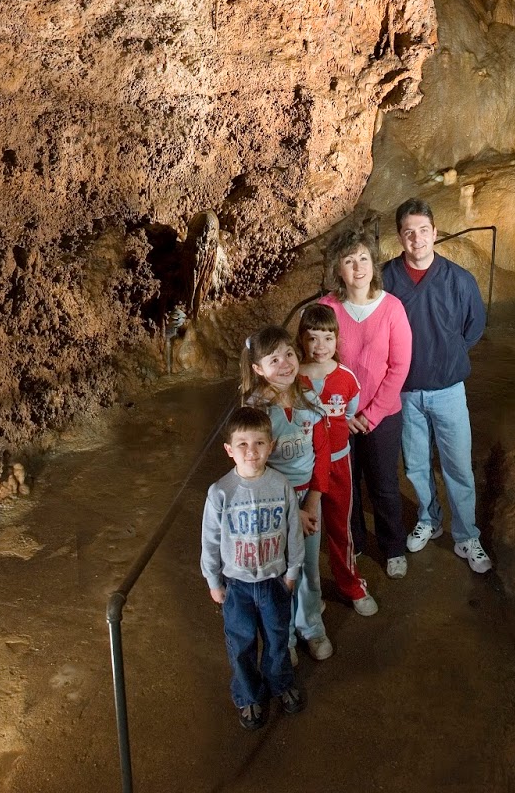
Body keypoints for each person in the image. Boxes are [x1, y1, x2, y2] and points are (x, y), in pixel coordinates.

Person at [383, 198, 492, 574]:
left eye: (423, 230)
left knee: (457, 465)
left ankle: (466, 536)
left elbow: (473, 326)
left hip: (447, 390)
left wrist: (448, 354)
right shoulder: (387, 279)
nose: (417, 239)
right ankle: (429, 520)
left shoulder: (459, 280)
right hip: (405, 390)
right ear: (400, 237)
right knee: (415, 464)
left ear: (435, 232)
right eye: (409, 232)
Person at [199, 406, 306, 730]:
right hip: (238, 585)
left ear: (270, 445)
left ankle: (279, 683)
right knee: (241, 643)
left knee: (277, 640)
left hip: (274, 581)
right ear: (229, 450)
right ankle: (248, 695)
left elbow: (293, 531)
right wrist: (213, 580)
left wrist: (292, 572)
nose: (251, 451)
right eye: (242, 444)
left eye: (259, 443)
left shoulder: (281, 485)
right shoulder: (220, 492)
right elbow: (210, 539)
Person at [321, 228, 413, 577]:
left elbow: (399, 366)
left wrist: (370, 414)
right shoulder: (327, 308)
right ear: (339, 270)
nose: (358, 267)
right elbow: (318, 360)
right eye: (349, 260)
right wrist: (344, 413)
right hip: (338, 415)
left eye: (363, 258)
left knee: (384, 484)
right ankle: (355, 541)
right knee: (346, 484)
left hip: (382, 416)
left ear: (373, 264)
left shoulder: (392, 308)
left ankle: (392, 547)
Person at [241, 326, 335, 659]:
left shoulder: (307, 394)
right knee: (281, 570)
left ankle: (311, 627)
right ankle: (285, 639)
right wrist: (291, 510)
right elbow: (254, 468)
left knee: (308, 566)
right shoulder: (256, 411)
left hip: (308, 499)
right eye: (274, 359)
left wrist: (313, 498)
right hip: (273, 504)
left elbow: (322, 451)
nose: (285, 364)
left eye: (289, 354)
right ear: (257, 369)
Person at [297, 304, 378, 615]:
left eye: (327, 338)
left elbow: (347, 412)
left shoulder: (346, 378)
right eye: (312, 338)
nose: (320, 347)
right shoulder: (294, 379)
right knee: (307, 533)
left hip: (338, 463)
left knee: (340, 527)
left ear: (337, 340)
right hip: (304, 467)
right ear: (301, 340)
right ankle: (310, 595)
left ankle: (350, 584)